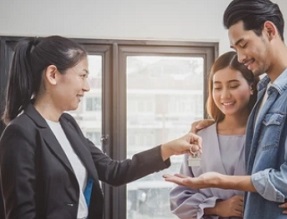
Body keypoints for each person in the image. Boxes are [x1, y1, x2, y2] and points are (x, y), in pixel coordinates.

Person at [0, 35, 202, 219]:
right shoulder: (20, 132)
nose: (87, 87)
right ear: (53, 74)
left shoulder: (68, 125)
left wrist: (169, 148)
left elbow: (114, 172)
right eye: (82, 75)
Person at [164, 0, 287, 218]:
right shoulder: (265, 94)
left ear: (269, 30)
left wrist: (220, 181)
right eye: (235, 48)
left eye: (243, 44)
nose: (240, 57)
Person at [170, 51, 258, 219]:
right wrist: (216, 208)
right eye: (217, 87)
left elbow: (283, 181)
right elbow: (179, 198)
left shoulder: (266, 136)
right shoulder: (199, 137)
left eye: (233, 86)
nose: (224, 95)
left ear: (251, 86)